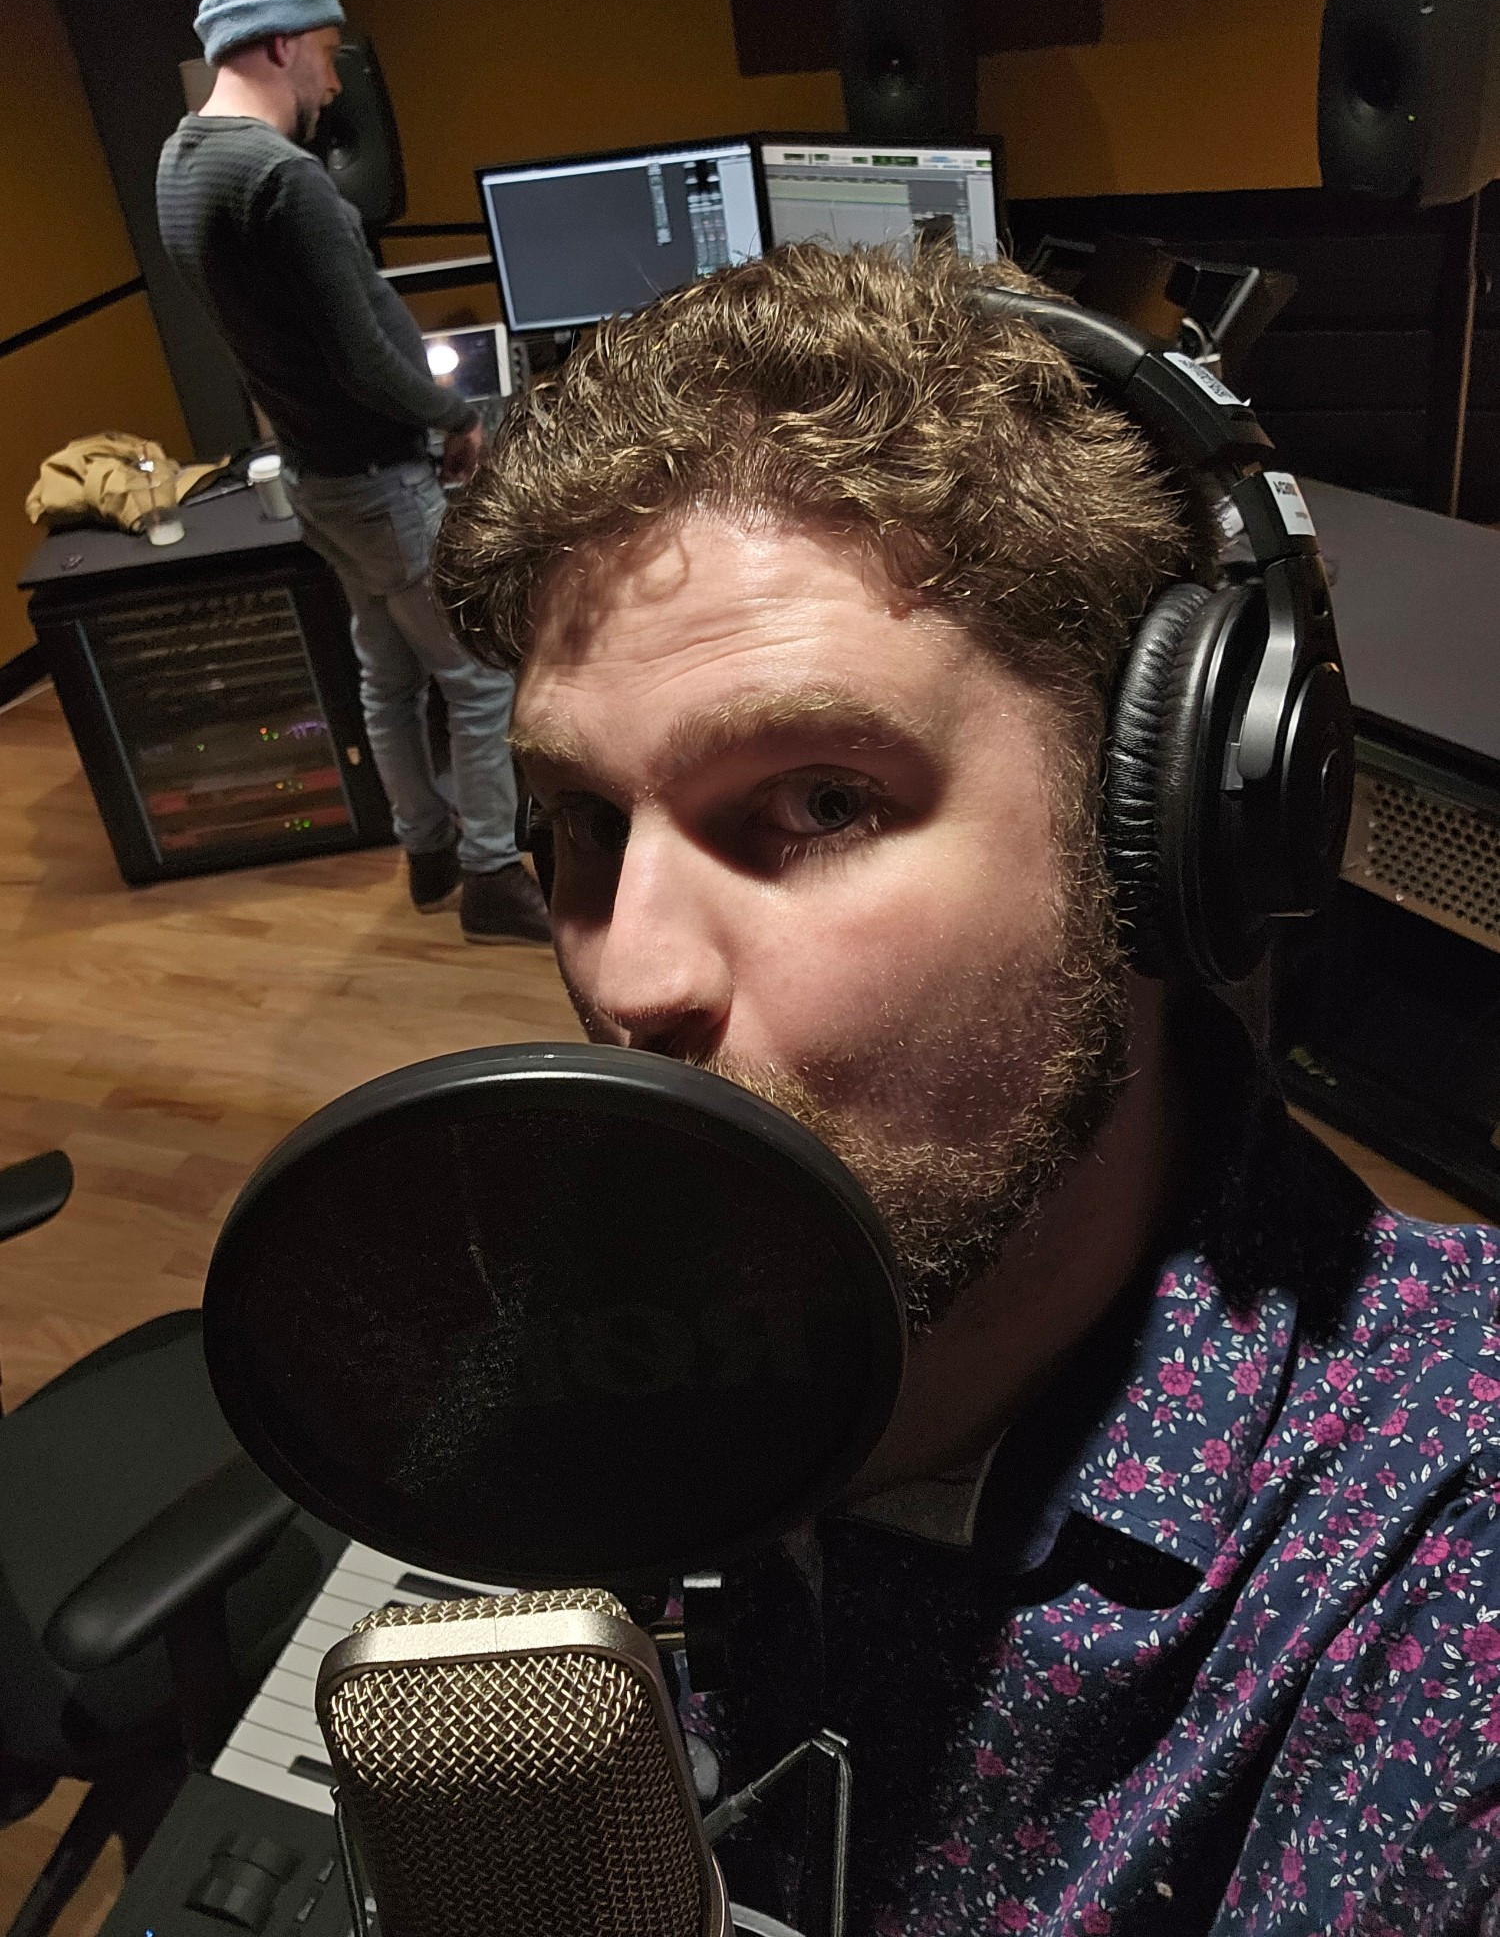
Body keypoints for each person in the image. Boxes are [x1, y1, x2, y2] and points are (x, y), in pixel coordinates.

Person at [438, 244, 1500, 1932]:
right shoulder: (610, 1287)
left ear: (1166, 838)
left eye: (818, 803)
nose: (626, 974)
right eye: (582, 825)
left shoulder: (1443, 1580)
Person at [156, 0, 549, 943]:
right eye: (328, 57)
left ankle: (423, 849)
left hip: (313, 476)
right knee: (478, 678)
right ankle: (495, 874)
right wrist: (457, 419)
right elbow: (367, 355)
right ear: (283, 45)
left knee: (386, 674)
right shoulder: (286, 181)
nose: (335, 84)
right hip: (383, 481)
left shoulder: (179, 162)